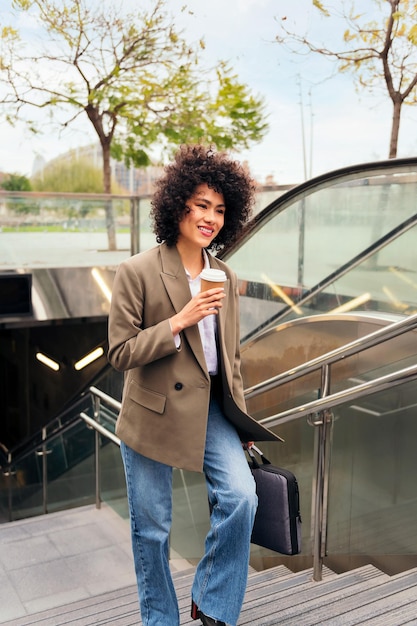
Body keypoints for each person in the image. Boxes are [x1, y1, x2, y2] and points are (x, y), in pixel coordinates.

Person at [107, 144, 282, 626]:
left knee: (242, 497)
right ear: (178, 203)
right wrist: (179, 322)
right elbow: (120, 352)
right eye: (202, 204)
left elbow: (232, 359)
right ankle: (160, 620)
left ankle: (212, 599)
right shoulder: (136, 271)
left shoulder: (223, 275)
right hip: (151, 412)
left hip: (211, 411)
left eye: (221, 210)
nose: (211, 217)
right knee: (153, 532)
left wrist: (241, 421)